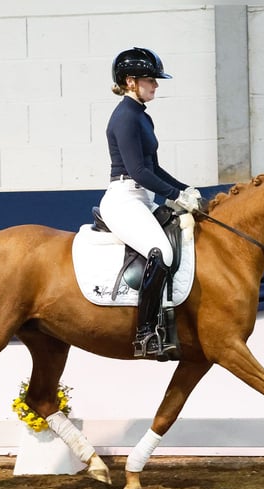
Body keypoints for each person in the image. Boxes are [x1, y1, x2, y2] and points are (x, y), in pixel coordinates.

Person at [99, 47, 202, 360]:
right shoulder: (124, 117)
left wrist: (187, 189)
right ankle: (147, 332)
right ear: (130, 81)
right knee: (162, 252)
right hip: (124, 198)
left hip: (142, 197)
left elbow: (154, 168)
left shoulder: (142, 116)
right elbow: (139, 171)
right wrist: (176, 195)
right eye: (150, 80)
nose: (156, 85)